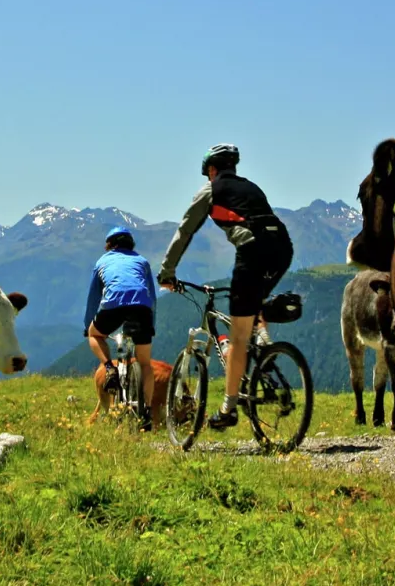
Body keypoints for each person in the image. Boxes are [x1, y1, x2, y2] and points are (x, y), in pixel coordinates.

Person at [158, 143, 293, 429]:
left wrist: (167, 272)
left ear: (211, 169)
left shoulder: (210, 190)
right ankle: (264, 336)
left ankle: (228, 409)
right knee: (253, 303)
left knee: (238, 337)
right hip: (282, 250)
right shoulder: (252, 187)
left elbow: (185, 231)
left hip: (253, 252)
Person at [83, 226, 158, 431]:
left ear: (109, 245)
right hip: (141, 308)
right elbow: (151, 297)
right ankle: (148, 413)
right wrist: (151, 323)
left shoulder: (102, 262)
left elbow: (93, 298)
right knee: (145, 364)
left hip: (112, 307)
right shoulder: (142, 261)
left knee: (94, 334)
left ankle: (109, 368)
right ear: (131, 244)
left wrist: (87, 324)